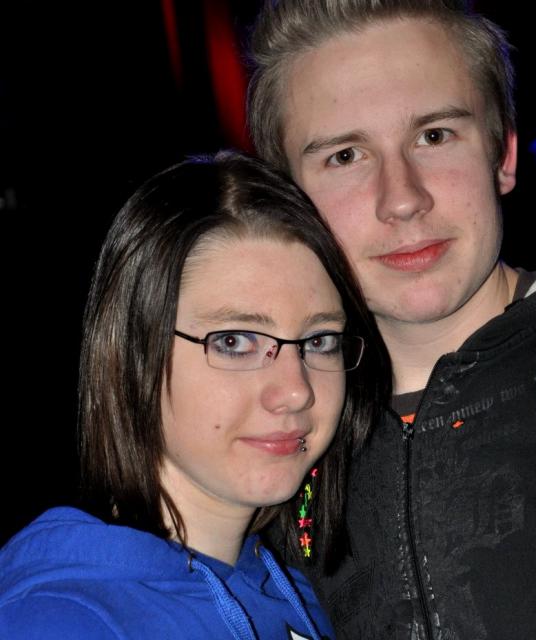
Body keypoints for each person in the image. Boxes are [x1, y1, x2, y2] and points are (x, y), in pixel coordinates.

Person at [246, 1, 536, 638]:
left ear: (502, 153)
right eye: (345, 156)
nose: (402, 199)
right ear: (288, 201)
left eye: (434, 136)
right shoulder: (267, 431)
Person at [0, 152, 390, 639]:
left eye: (319, 341)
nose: (296, 391)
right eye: (235, 341)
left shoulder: (299, 597)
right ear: (135, 354)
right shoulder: (59, 622)